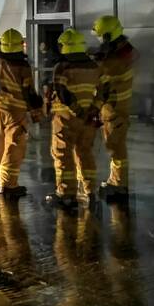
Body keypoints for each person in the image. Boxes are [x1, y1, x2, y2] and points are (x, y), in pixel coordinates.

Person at [46, 28, 109, 208]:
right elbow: (105, 89)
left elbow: (62, 92)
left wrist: (77, 111)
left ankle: (66, 193)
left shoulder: (62, 67)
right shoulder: (95, 67)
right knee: (85, 153)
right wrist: (94, 109)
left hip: (65, 119)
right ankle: (89, 191)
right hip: (88, 119)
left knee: (63, 155)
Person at [0, 28, 42, 198]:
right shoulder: (22, 66)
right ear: (20, 45)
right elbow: (28, 92)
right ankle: (8, 185)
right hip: (15, 112)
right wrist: (36, 112)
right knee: (13, 147)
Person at [92, 15, 138, 201]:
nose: (98, 39)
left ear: (107, 36)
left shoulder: (112, 61)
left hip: (113, 111)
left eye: (100, 36)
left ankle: (118, 185)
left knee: (115, 148)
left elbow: (102, 86)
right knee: (116, 147)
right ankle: (116, 181)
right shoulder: (123, 53)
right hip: (118, 109)